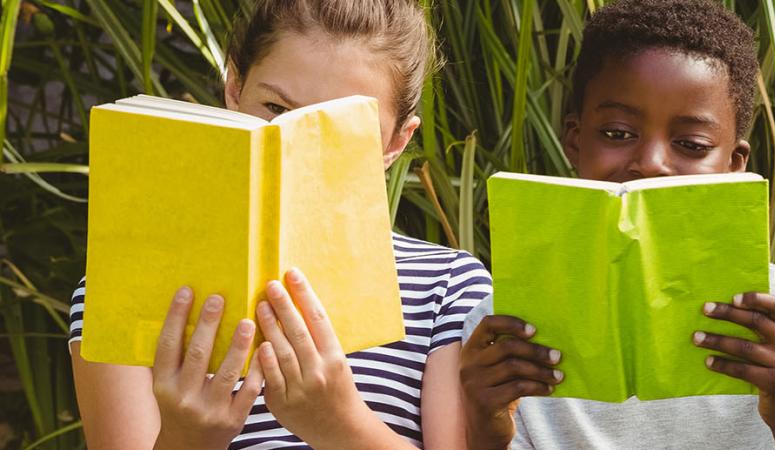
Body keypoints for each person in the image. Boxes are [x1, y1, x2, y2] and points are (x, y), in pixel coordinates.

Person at [68, 0, 483, 448]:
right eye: (275, 107)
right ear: (233, 87)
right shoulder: (118, 290)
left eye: (343, 125)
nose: (296, 143)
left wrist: (339, 422)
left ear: (396, 142)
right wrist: (188, 439)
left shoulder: (449, 289)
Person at [456, 0, 775, 448]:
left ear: (735, 163)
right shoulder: (506, 328)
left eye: (691, 144)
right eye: (618, 133)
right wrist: (487, 430)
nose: (652, 163)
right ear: (575, 141)